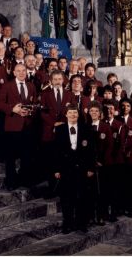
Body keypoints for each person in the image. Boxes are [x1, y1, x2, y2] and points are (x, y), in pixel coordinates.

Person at [53, 104, 95, 234]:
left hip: (82, 169)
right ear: (66, 115)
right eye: (70, 113)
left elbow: (91, 151)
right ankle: (68, 223)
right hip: (66, 170)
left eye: (75, 113)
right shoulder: (59, 130)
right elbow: (56, 152)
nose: (72, 115)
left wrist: (90, 168)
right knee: (66, 198)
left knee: (82, 197)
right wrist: (57, 170)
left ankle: (81, 223)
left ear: (78, 115)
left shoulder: (86, 129)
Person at [0, 63, 37, 190]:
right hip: (12, 126)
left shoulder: (31, 86)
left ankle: (24, 179)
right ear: (14, 73)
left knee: (27, 155)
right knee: (10, 157)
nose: (21, 73)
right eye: (18, 71)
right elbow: (0, 103)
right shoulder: (7, 86)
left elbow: (35, 104)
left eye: (23, 71)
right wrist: (12, 109)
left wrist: (30, 111)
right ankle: (11, 181)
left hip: (27, 125)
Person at [40, 70, 75, 198]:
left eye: (60, 79)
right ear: (51, 81)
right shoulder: (45, 94)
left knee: (64, 161)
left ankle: (63, 189)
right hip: (50, 131)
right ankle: (52, 189)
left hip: (65, 131)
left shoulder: (69, 94)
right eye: (55, 79)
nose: (57, 81)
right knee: (50, 161)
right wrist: (54, 123)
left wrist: (63, 124)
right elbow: (42, 113)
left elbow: (73, 111)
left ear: (63, 80)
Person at [87, 100, 113, 226]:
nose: (94, 113)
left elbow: (109, 146)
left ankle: (101, 215)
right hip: (90, 165)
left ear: (100, 113)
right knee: (90, 192)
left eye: (96, 111)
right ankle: (91, 215)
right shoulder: (86, 126)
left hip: (102, 165)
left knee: (101, 192)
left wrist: (101, 162)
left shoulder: (105, 127)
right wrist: (91, 162)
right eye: (91, 111)